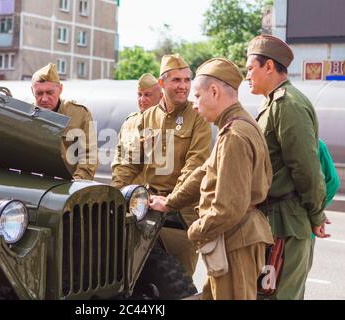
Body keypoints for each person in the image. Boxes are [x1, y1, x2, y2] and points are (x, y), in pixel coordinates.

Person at [150, 58, 274, 300]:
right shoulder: (238, 125)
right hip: (235, 239)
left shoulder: (234, 135)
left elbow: (228, 208)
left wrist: (195, 230)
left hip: (235, 241)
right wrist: (170, 202)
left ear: (214, 91)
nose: (194, 104)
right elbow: (204, 172)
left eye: (197, 95)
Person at [111, 54, 212, 279]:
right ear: (162, 83)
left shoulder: (197, 117)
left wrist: (171, 200)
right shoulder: (146, 118)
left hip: (182, 215)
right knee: (139, 279)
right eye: (177, 80)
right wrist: (115, 196)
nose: (183, 86)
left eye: (187, 80)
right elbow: (128, 164)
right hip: (147, 210)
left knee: (180, 283)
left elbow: (195, 164)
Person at [246, 35, 328, 300]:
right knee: (265, 294)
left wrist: (316, 215)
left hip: (287, 224)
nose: (246, 75)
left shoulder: (288, 104)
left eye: (250, 68)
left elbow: (306, 168)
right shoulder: (271, 102)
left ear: (268, 66)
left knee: (281, 295)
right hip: (273, 221)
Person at [31, 63, 98, 180]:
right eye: (39, 93)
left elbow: (89, 155)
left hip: (67, 185)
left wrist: (76, 183)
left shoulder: (80, 114)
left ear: (60, 89)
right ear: (32, 91)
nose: (44, 99)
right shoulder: (25, 114)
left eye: (50, 92)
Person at [112, 73, 163, 185]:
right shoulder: (129, 122)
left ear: (161, 96)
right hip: (126, 189)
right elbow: (119, 156)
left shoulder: (165, 122)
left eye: (147, 95)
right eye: (139, 94)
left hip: (152, 194)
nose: (142, 99)